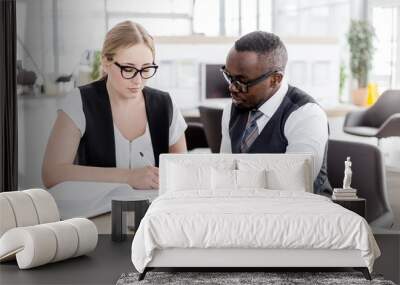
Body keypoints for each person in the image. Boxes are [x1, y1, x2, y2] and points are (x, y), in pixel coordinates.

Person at [42, 21, 187, 190]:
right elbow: (52, 174)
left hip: (154, 214)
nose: (138, 80)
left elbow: (182, 173)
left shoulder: (165, 105)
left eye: (146, 69)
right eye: (128, 69)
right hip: (94, 214)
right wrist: (129, 176)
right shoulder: (80, 101)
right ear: (105, 62)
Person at [220, 31, 331, 195]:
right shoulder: (232, 109)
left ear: (275, 79)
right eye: (229, 76)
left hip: (304, 213)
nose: (232, 88)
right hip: (249, 210)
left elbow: (294, 186)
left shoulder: (306, 115)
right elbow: (225, 173)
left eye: (242, 81)